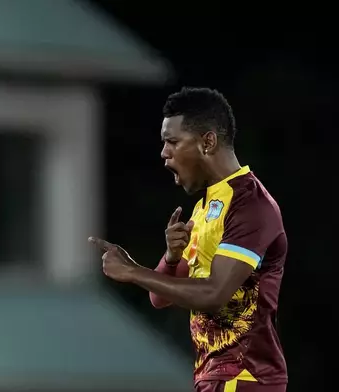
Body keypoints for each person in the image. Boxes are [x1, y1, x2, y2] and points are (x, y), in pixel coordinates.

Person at [89, 87, 288, 392]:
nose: (164, 153)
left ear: (207, 142)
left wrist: (132, 272)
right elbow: (161, 297)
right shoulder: (204, 209)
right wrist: (170, 257)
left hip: (246, 380)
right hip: (213, 378)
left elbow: (213, 294)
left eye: (172, 142)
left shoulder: (251, 206)